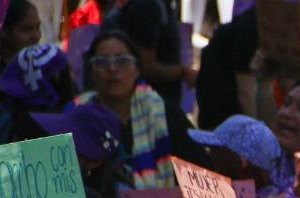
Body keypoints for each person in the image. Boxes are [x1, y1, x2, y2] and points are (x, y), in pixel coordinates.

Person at [77, 30, 207, 189]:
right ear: (92, 71)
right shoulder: (77, 117)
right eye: (102, 62)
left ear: (137, 69)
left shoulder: (166, 115)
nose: (112, 69)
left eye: (122, 61)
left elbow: (202, 175)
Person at [0, 0, 40, 68]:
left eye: (38, 27)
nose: (37, 36)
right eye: (27, 29)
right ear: (3, 31)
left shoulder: (40, 69)